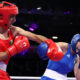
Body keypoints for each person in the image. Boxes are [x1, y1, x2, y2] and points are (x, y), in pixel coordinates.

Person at [0, 1, 48, 80]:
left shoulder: (13, 30)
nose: (14, 20)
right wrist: (14, 49)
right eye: (12, 16)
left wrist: (52, 44)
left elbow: (35, 37)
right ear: (3, 16)